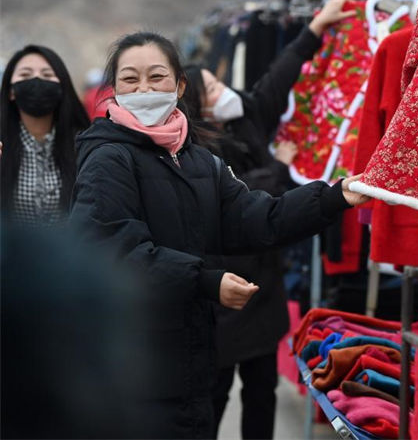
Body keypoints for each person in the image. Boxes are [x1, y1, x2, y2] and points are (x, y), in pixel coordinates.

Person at [69, 30, 368, 439]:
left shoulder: (198, 160)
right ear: (114, 89)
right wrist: (206, 280)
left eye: (156, 77)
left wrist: (335, 196)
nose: (143, 88)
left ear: (179, 85)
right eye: (130, 79)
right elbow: (113, 251)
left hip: (193, 363)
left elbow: (258, 218)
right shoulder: (108, 158)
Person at [182, 0, 355, 440]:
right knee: (216, 390)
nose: (225, 93)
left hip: (263, 282)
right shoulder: (195, 151)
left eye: (219, 85)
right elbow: (242, 201)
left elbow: (278, 78)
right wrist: (278, 166)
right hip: (223, 287)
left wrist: (316, 27)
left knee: (261, 390)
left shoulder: (245, 119)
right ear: (196, 105)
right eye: (213, 91)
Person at [0, 45, 90, 226]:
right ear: (10, 91)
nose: (36, 80)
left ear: (61, 86)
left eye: (47, 75)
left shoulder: (85, 145)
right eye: (25, 75)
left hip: (70, 253)